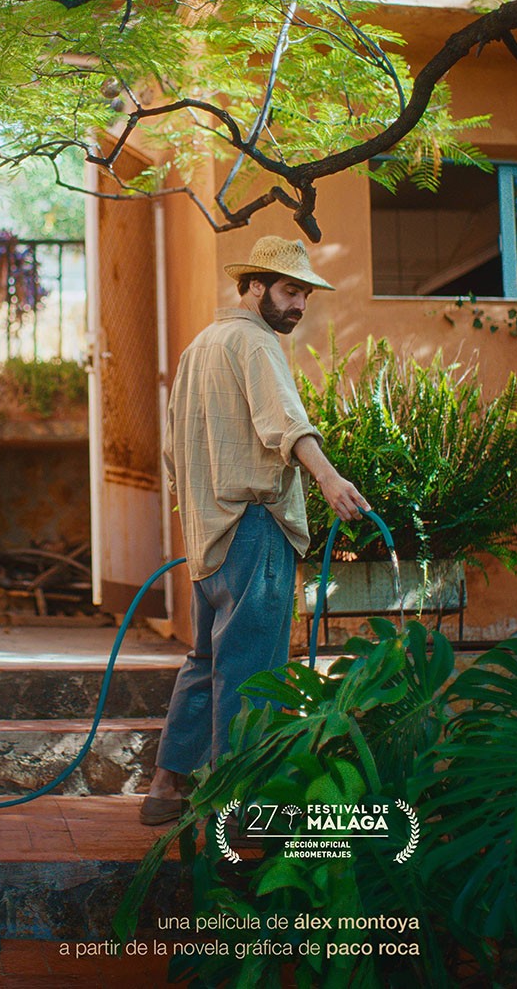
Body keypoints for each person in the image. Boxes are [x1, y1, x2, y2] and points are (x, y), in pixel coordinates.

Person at [139, 235, 371, 826]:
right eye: (290, 291)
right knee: (253, 672)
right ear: (253, 286)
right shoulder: (255, 342)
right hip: (254, 527)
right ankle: (239, 808)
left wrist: (198, 516)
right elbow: (285, 424)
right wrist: (329, 479)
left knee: (205, 660)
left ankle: (166, 787)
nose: (299, 305)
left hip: (208, 535)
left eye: (305, 294)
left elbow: (172, 452)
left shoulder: (199, 347)